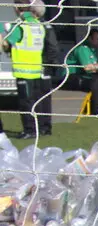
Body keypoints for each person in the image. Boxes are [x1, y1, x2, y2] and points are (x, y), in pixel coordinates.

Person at [2, 3, 50, 138]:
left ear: (16, 8)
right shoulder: (38, 25)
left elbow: (7, 45)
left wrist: (2, 34)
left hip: (24, 70)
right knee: (36, 101)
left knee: (26, 102)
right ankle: (39, 128)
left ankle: (29, 131)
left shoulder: (20, 26)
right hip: (36, 69)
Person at [63, 26, 98, 113]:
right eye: (96, 39)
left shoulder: (93, 50)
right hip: (71, 77)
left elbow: (94, 69)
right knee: (96, 81)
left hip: (84, 75)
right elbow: (87, 68)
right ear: (90, 39)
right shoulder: (82, 49)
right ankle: (97, 110)